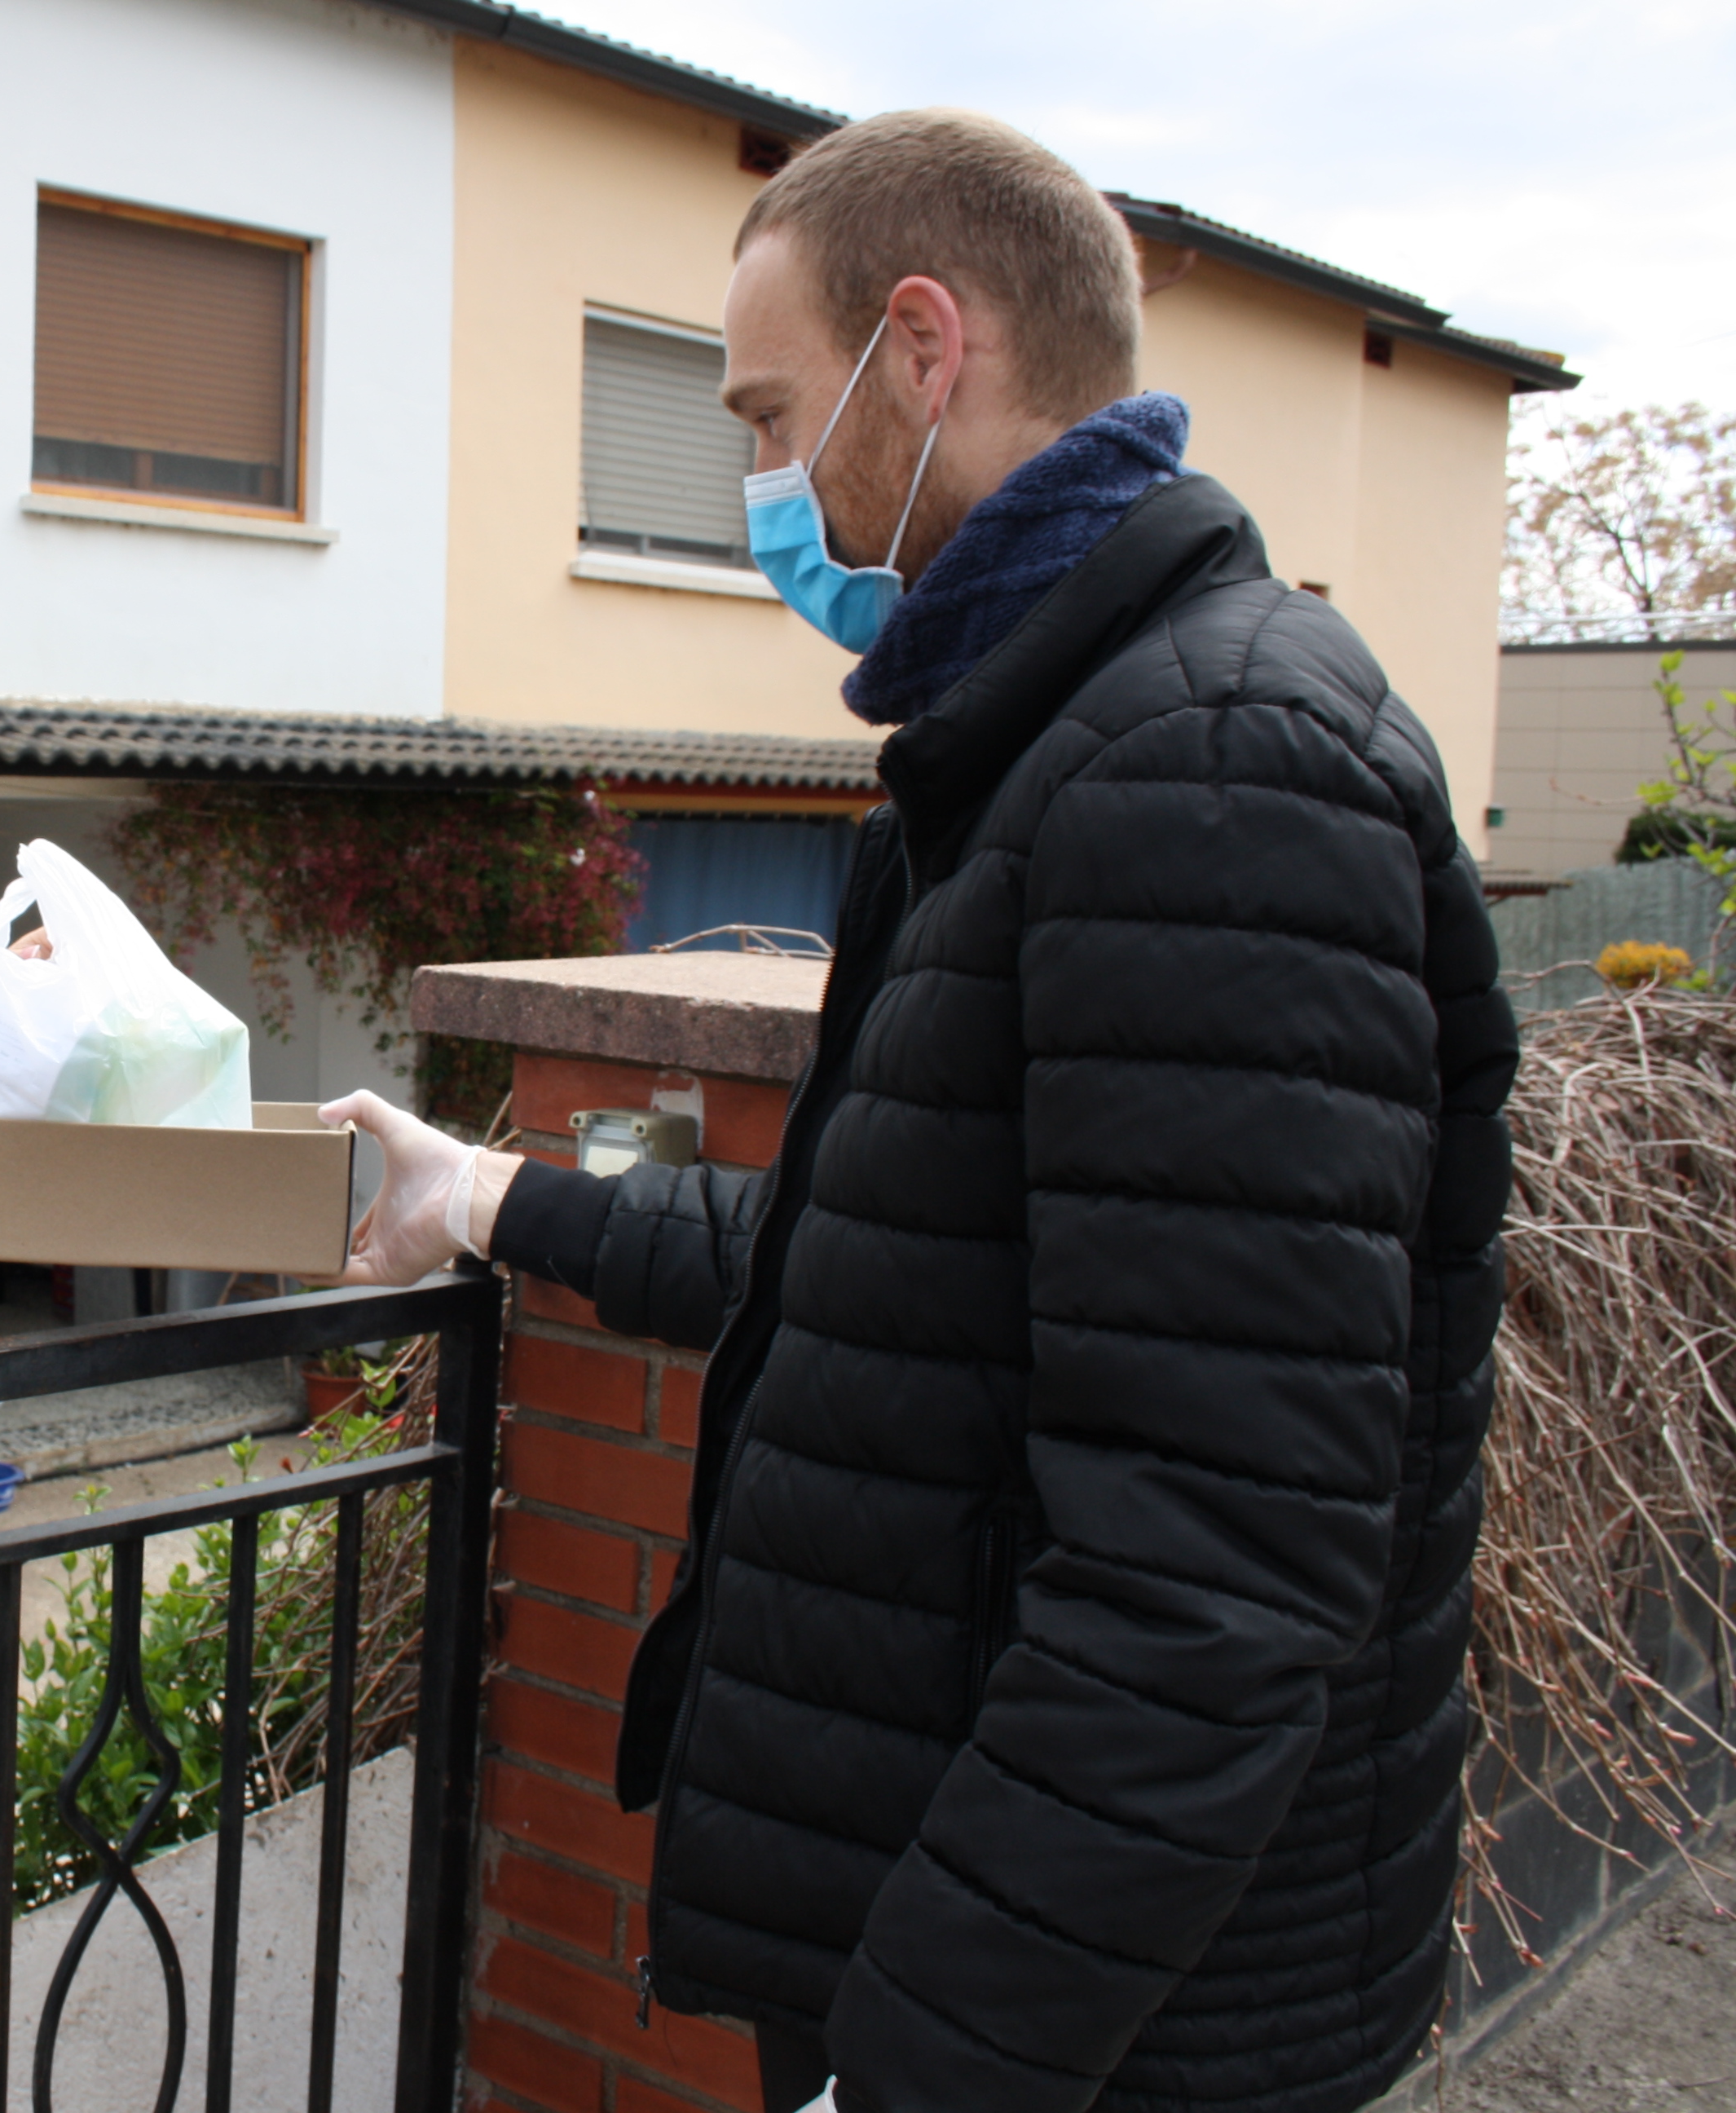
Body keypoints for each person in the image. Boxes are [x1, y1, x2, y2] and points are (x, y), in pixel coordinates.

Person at [330, 111, 1513, 2113]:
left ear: (925, 350)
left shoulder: (1208, 775)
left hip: (1111, 2041)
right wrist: (491, 1200)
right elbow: (887, 1285)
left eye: (771, 416)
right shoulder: (1039, 757)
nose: (754, 488)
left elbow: (1211, 1579)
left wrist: (926, 2066)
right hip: (1037, 1987)